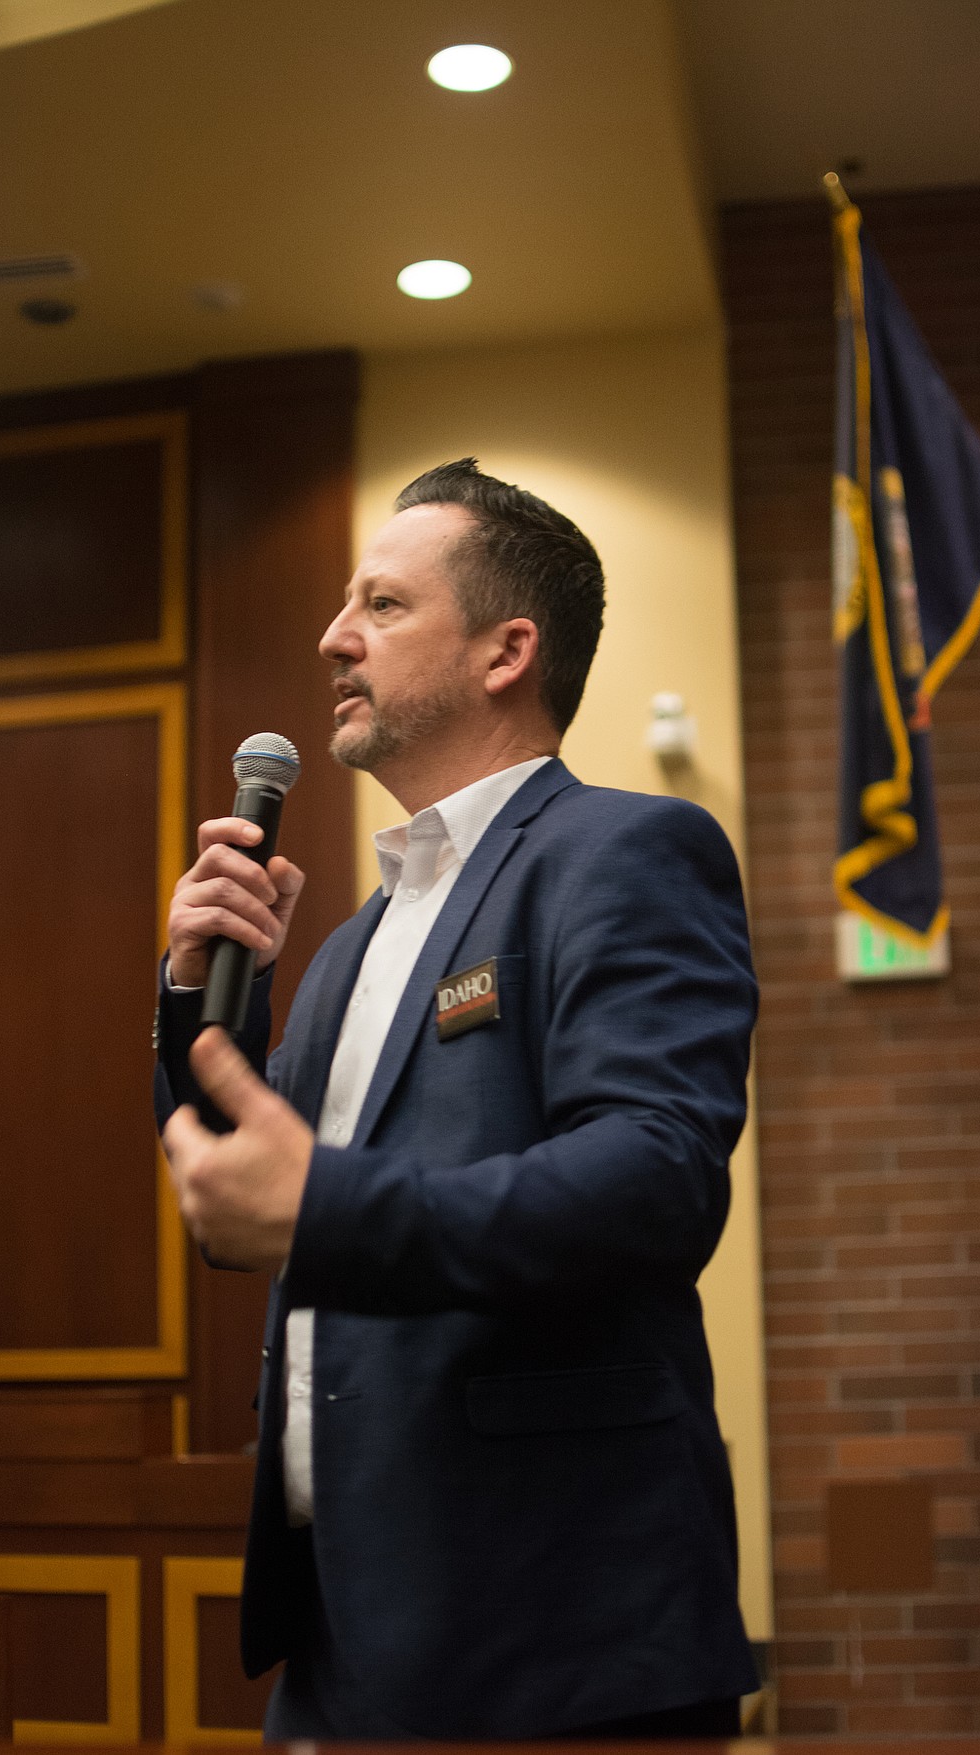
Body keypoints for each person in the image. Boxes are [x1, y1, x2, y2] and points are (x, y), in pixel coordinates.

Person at [155, 459, 759, 1741]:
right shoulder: (351, 944)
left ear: (507, 651)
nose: (333, 637)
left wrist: (328, 1210)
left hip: (551, 1632)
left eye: (381, 604)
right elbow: (239, 1201)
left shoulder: (626, 851)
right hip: (343, 1630)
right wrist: (196, 1001)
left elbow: (653, 1181)